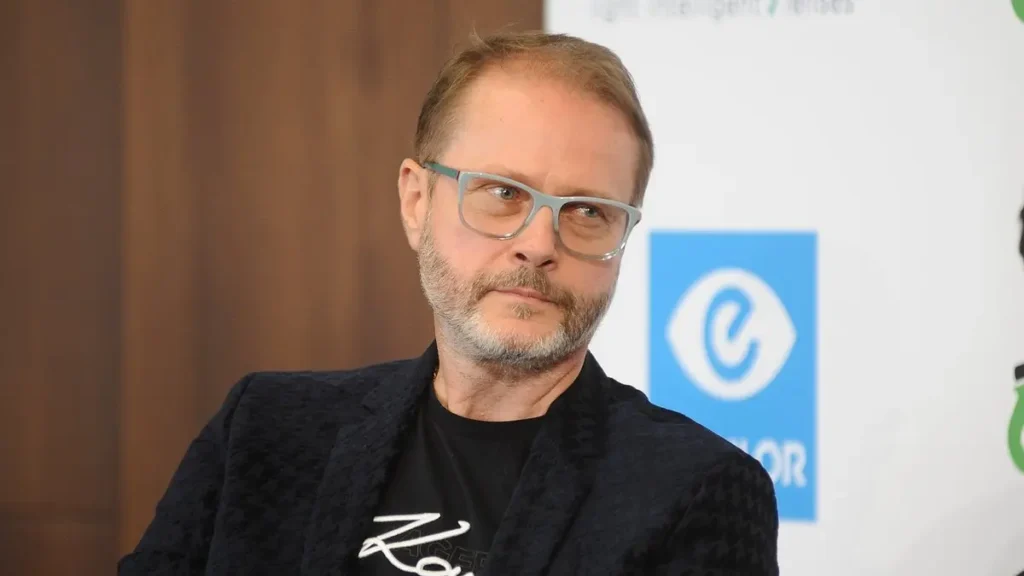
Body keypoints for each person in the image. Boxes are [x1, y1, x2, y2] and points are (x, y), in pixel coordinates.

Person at [118, 30, 779, 576]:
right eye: (503, 194)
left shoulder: (695, 489)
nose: (539, 245)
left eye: (587, 211)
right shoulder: (265, 429)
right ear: (416, 202)